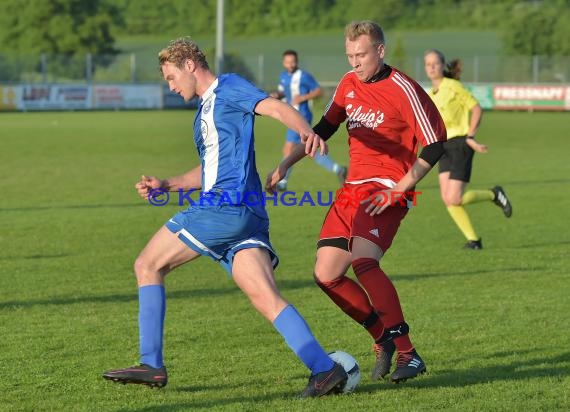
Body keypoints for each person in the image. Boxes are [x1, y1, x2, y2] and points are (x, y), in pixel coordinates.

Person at [101, 37, 348, 398]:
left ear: (189, 65)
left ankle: (151, 362)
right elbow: (209, 169)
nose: (170, 86)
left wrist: (306, 131)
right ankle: (325, 370)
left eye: (171, 77)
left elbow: (273, 107)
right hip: (247, 214)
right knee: (266, 298)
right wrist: (167, 183)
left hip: (224, 207)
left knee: (147, 265)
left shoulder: (228, 87)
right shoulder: (205, 111)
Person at [267, 20, 447, 384]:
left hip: (384, 189)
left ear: (380, 51)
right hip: (351, 189)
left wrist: (402, 187)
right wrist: (285, 165)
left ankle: (409, 353)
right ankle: (382, 337)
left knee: (365, 261)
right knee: (326, 274)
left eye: (361, 54)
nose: (354, 62)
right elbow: (323, 129)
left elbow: (436, 142)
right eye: (350, 55)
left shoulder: (404, 89)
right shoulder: (348, 85)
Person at [424, 50, 512, 250]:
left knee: (454, 197)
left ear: (442, 64)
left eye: (435, 63)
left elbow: (476, 108)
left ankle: (494, 194)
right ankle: (474, 241)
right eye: (427, 64)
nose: (431, 67)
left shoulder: (453, 86)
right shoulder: (430, 94)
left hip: (460, 144)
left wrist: (470, 136)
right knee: (448, 200)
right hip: (442, 146)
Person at [270, 50, 347, 191]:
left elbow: (318, 91)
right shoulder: (283, 76)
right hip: (290, 115)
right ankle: (338, 169)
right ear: (283, 62)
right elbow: (283, 92)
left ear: (297, 61)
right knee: (308, 150)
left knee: (289, 148)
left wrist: (303, 97)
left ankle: (282, 181)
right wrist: (276, 95)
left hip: (302, 116)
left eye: (293, 61)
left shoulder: (304, 76)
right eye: (287, 62)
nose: (290, 64)